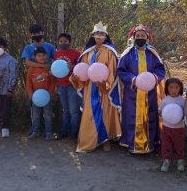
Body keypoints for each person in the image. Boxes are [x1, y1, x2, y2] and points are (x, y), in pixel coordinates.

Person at [69, 22, 121, 152]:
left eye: (102, 34)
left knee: (104, 114)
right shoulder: (87, 52)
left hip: (102, 89)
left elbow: (112, 71)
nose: (99, 36)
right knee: (89, 115)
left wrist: (106, 85)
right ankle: (88, 140)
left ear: (106, 36)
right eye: (96, 34)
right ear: (92, 36)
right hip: (89, 88)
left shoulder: (110, 52)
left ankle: (105, 140)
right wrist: (77, 80)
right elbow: (82, 70)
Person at [117, 24, 166, 154]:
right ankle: (132, 144)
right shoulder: (127, 54)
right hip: (132, 92)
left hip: (149, 93)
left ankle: (149, 144)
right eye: (137, 36)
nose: (140, 38)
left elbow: (161, 69)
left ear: (147, 37)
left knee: (149, 115)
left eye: (142, 36)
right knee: (132, 116)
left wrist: (154, 78)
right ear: (133, 38)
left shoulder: (152, 53)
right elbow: (121, 70)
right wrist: (132, 79)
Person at [53, 33, 81, 141]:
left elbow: (81, 69)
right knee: (65, 110)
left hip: (72, 85)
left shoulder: (76, 53)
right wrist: (55, 85)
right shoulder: (56, 54)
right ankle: (65, 131)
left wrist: (73, 67)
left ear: (69, 42)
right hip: (60, 85)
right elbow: (55, 70)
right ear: (58, 42)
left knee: (74, 110)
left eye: (65, 41)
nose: (63, 43)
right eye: (61, 41)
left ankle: (75, 133)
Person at [26, 47, 56, 141]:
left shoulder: (49, 68)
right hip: (35, 97)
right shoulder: (31, 69)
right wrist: (30, 94)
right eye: (39, 56)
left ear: (46, 56)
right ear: (35, 57)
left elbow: (53, 81)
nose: (41, 57)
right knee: (35, 115)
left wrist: (50, 93)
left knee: (48, 114)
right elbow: (28, 83)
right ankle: (35, 131)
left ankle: (48, 133)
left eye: (43, 55)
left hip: (47, 97)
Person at [158, 78, 185, 172]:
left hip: (179, 128)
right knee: (166, 144)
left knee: (179, 144)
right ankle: (166, 160)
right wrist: (162, 113)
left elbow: (185, 113)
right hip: (166, 127)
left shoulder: (182, 100)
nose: (174, 90)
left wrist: (182, 116)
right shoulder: (165, 100)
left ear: (180, 88)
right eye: (171, 87)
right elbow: (160, 111)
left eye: (176, 88)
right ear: (167, 88)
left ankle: (180, 160)